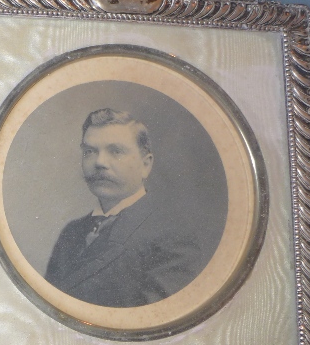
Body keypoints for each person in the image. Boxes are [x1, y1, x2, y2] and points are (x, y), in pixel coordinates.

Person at [44, 108, 202, 307]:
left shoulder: (171, 233)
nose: (100, 162)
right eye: (89, 151)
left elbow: (151, 320)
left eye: (116, 151)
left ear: (146, 165)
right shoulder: (72, 232)